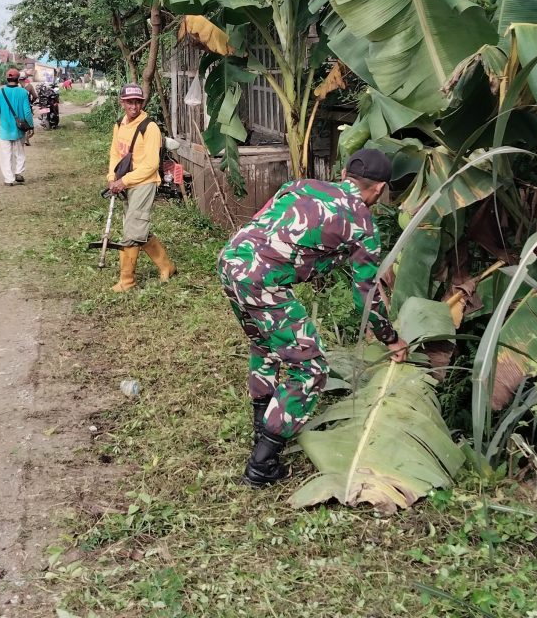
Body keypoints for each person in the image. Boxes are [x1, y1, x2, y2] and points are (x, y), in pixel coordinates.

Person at [217, 148, 407, 487]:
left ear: (345, 174)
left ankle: (262, 428)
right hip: (262, 281)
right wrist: (390, 338)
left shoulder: (301, 185)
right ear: (379, 189)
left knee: (265, 346)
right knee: (311, 368)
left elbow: (265, 224)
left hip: (231, 261)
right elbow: (366, 295)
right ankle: (262, 464)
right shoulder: (362, 223)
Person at [105, 83, 175, 292]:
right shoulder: (119, 125)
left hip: (144, 183)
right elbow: (115, 153)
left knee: (132, 231)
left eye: (137, 102)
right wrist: (112, 177)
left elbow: (151, 165)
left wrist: (123, 181)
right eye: (129, 102)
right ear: (122, 103)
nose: (133, 106)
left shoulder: (150, 127)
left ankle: (127, 281)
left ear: (142, 103)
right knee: (137, 229)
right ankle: (167, 266)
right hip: (126, 182)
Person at [0, 68, 34, 186]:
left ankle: (9, 179)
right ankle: (18, 172)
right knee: (20, 152)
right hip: (19, 129)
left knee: (5, 155)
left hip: (5, 130)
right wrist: (31, 126)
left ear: (7, 79)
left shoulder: (0, 92)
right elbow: (27, 112)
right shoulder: (23, 92)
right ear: (18, 79)